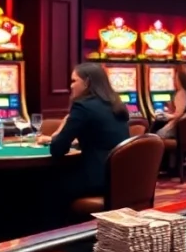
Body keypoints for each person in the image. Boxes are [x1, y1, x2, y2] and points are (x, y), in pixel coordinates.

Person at [48, 63, 131, 202]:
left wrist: (57, 137)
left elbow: (57, 149)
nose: (71, 86)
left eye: (74, 81)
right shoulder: (115, 104)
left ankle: (63, 224)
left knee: (46, 183)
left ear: (87, 82)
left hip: (97, 179)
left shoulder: (83, 106)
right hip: (121, 178)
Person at [157, 66, 186, 139]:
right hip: (183, 128)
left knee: (157, 135)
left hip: (177, 127)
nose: (174, 80)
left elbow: (179, 114)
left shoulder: (181, 93)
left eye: (175, 78)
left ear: (180, 80)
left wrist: (166, 116)